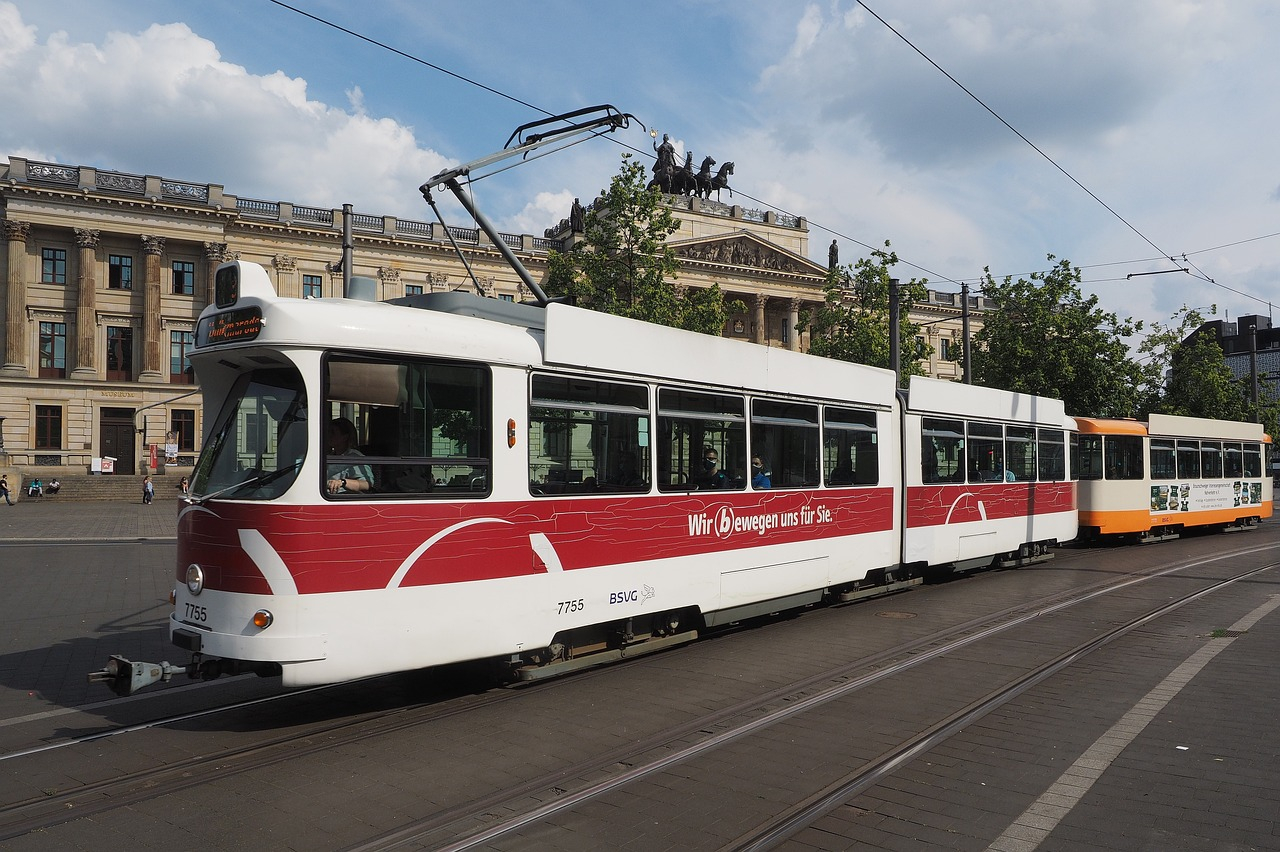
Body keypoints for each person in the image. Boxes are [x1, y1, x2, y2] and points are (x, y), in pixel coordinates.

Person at [326, 417, 373, 494]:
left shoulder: (355, 458)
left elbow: (367, 484)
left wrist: (342, 482)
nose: (329, 436)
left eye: (333, 432)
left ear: (345, 437)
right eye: (328, 432)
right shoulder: (329, 456)